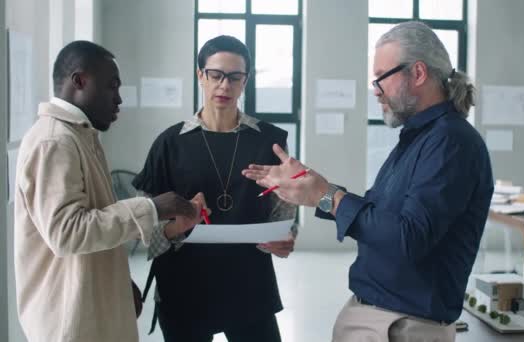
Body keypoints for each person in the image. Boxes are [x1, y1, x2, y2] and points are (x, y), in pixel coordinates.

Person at [243, 21, 494, 342]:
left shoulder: (451, 143)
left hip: (402, 325)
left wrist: (328, 196)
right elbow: (379, 215)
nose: (376, 89)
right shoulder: (420, 138)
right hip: (380, 315)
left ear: (417, 73)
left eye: (381, 78)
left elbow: (408, 238)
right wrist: (315, 193)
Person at [13, 40, 206, 342]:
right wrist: (153, 208)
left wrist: (118, 280)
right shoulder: (54, 141)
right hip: (70, 324)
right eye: (111, 87)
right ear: (79, 81)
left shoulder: (80, 136)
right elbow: (67, 232)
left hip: (89, 311)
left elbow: (94, 221)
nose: (118, 99)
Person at [132, 35, 296, 342]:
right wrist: (174, 228)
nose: (224, 85)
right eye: (215, 75)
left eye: (235, 77)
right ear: (200, 75)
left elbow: (285, 215)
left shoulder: (269, 141)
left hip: (249, 284)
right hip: (184, 285)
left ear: (246, 80)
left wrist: (287, 239)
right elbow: (144, 232)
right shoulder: (169, 143)